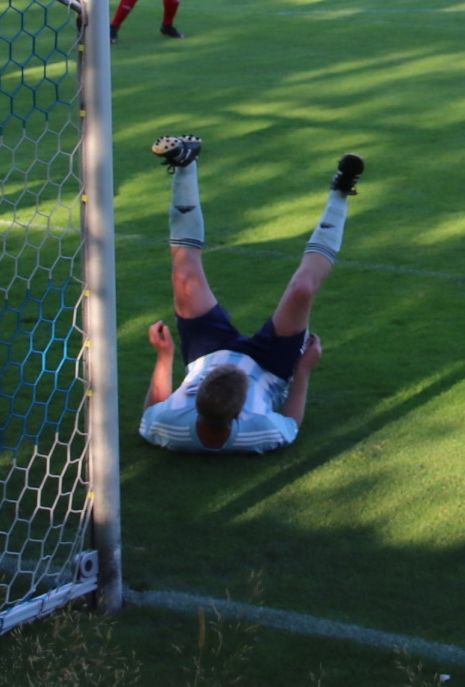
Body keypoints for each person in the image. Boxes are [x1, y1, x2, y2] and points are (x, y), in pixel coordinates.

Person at [140, 136, 365, 454]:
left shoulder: (169, 425)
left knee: (184, 275)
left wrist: (165, 357)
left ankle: (185, 165)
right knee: (301, 290)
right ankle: (340, 193)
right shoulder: (260, 431)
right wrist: (303, 371)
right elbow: (291, 423)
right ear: (239, 416)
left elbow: (151, 414)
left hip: (206, 357)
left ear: (197, 397)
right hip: (270, 367)